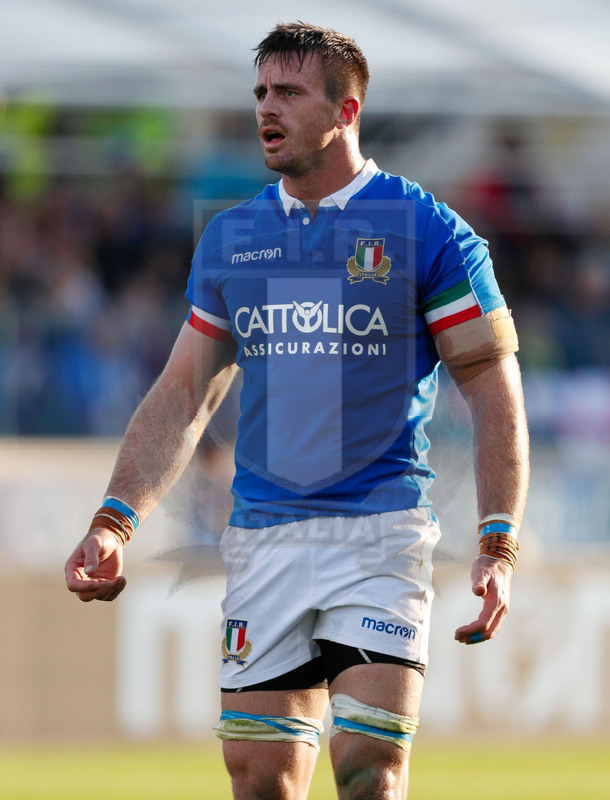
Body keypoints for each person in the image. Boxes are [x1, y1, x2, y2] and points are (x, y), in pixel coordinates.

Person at [65, 22, 529, 800]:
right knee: (259, 781)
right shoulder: (233, 238)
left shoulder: (427, 229)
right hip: (264, 539)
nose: (265, 109)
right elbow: (185, 391)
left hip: (379, 535)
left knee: (369, 772)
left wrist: (498, 543)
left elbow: (491, 386)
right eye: (259, 93)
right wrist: (114, 521)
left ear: (346, 111)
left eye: (288, 92)